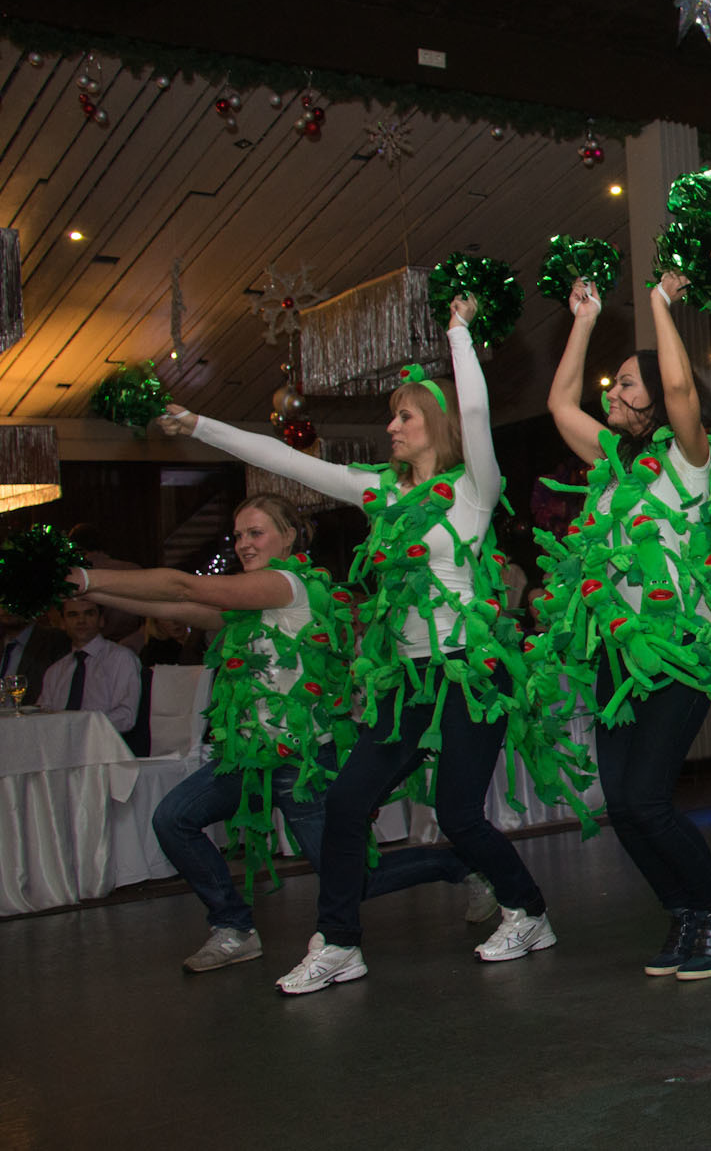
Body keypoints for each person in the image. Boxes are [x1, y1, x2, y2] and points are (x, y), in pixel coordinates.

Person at [158, 294, 563, 995]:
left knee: (460, 813)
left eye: (404, 416)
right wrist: (200, 425)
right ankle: (339, 942)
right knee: (347, 804)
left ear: (434, 424)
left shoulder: (473, 491)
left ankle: (527, 910)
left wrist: (459, 334)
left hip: (469, 671)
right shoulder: (379, 492)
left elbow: (474, 414)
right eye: (392, 415)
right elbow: (282, 458)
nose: (391, 426)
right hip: (406, 680)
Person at [74, 495, 475, 973]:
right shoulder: (247, 607)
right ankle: (233, 927)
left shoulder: (288, 585)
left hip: (303, 761)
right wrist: (92, 595)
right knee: (173, 819)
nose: (243, 543)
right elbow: (173, 604)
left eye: (255, 533)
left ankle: (461, 864)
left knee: (355, 879)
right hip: (250, 757)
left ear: (288, 537)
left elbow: (183, 587)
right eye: (238, 535)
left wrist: (86, 578)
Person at [534, 267, 711, 980]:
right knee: (622, 805)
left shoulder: (690, 458)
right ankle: (684, 913)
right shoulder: (617, 464)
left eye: (628, 383)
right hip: (620, 658)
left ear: (657, 392)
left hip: (680, 652)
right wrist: (584, 320)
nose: (614, 393)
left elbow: (682, 392)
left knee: (649, 798)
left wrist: (659, 303)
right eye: (615, 383)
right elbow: (559, 403)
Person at [37, 596, 142, 732]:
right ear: (62, 623)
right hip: (58, 740)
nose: (81, 620)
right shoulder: (55, 671)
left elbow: (126, 716)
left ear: (101, 620)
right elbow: (42, 715)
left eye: (89, 613)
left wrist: (80, 728)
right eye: (73, 615)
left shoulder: (121, 658)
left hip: (102, 741)